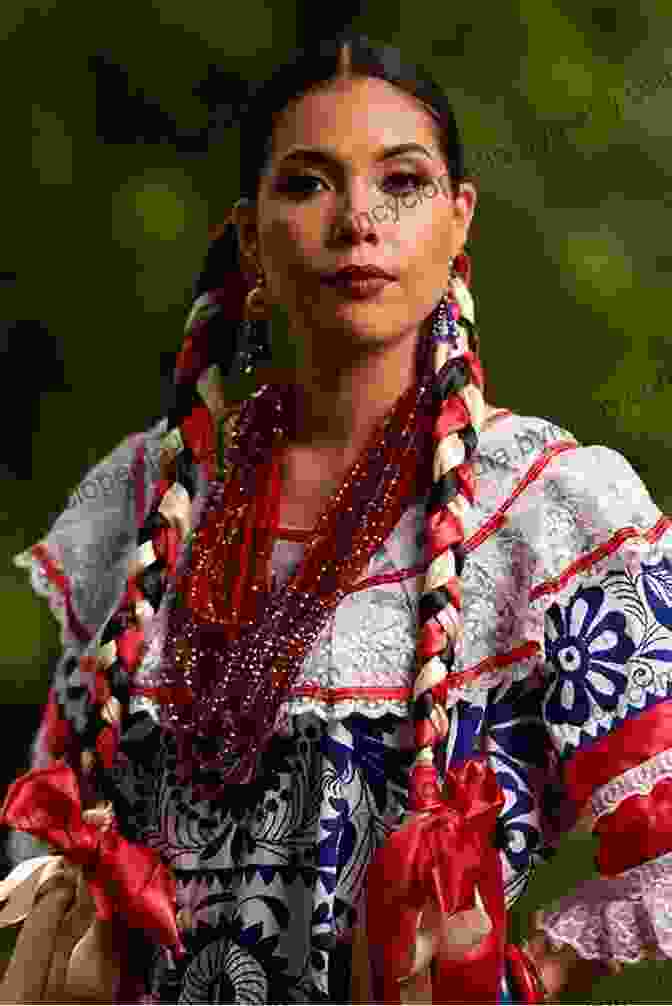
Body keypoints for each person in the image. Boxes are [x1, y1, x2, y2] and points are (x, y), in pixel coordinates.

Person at [1, 32, 670, 1004]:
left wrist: (533, 974)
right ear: (249, 241)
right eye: (310, 184)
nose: (360, 218)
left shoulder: (546, 508)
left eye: (402, 182)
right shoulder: (149, 499)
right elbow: (48, 834)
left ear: (457, 223)